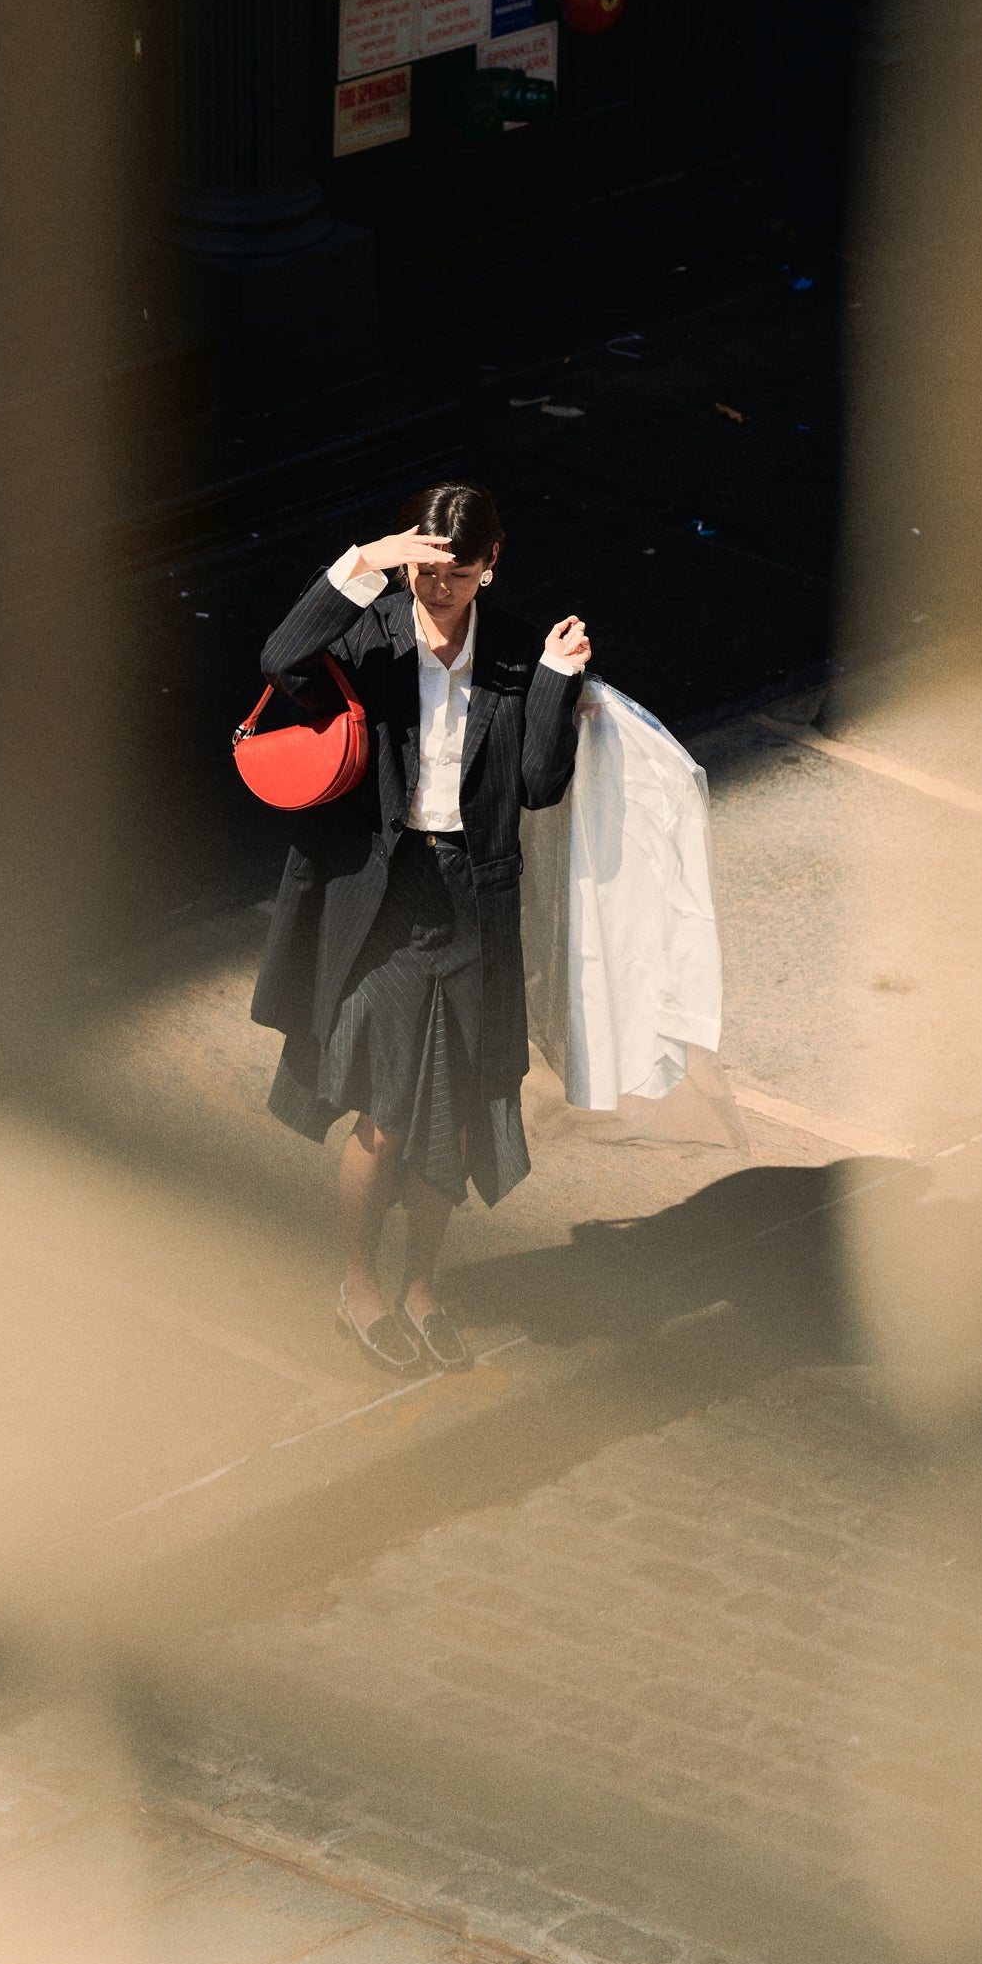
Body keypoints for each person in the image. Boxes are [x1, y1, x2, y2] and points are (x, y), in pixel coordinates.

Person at [251, 483, 590, 1375]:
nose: (437, 590)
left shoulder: (519, 650)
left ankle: (423, 1288)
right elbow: (281, 659)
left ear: (490, 566)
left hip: (473, 900)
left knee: (456, 1109)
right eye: (427, 571)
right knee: (387, 1110)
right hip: (383, 895)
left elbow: (539, 784)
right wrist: (367, 562)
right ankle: (358, 1284)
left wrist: (556, 683)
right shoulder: (373, 630)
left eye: (456, 574)